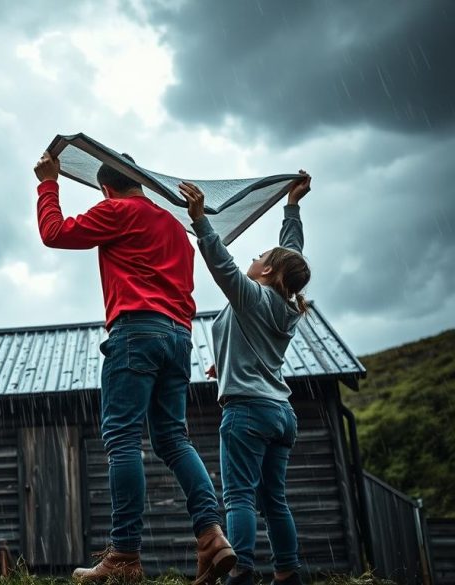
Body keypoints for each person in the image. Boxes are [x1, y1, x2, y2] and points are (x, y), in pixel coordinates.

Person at [34, 151, 236, 585]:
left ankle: (124, 554)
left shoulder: (117, 211)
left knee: (123, 438)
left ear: (106, 188)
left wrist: (49, 183)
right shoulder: (173, 227)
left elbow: (53, 233)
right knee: (173, 439)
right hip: (180, 338)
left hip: (136, 331)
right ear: (141, 184)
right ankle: (212, 535)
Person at [178, 171, 313, 585]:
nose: (251, 258)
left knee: (238, 496)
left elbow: (223, 266)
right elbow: (292, 254)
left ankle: (240, 572)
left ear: (267, 269)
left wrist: (201, 222)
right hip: (280, 413)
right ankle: (288, 572)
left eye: (258, 256)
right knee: (274, 500)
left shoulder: (251, 295)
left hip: (248, 411)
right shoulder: (286, 304)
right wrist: (292, 205)